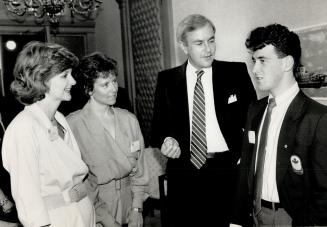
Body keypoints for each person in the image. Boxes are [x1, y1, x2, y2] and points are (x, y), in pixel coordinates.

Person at [150, 14, 257, 227]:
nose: (208, 49)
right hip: (184, 173)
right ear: (183, 46)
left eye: (211, 40)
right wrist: (166, 140)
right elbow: (157, 128)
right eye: (199, 43)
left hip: (228, 171)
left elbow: (254, 122)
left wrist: (243, 160)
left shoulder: (235, 72)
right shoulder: (167, 80)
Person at [230, 23, 327, 227]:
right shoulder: (254, 110)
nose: (255, 69)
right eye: (254, 61)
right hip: (254, 214)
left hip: (290, 219)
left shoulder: (317, 118)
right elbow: (246, 167)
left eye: (263, 60)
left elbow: (323, 193)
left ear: (287, 63)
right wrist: (237, 220)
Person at [1, 41, 96, 227]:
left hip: (81, 213)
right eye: (64, 75)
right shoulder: (23, 128)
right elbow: (27, 197)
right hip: (55, 220)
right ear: (41, 80)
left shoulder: (59, 117)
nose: (73, 81)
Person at [67, 52, 149, 227]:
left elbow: (140, 171)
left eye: (114, 81)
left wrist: (137, 209)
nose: (113, 88)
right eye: (105, 84)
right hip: (95, 211)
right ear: (89, 89)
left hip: (131, 207)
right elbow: (79, 182)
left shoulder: (129, 120)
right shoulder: (74, 125)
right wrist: (105, 219)